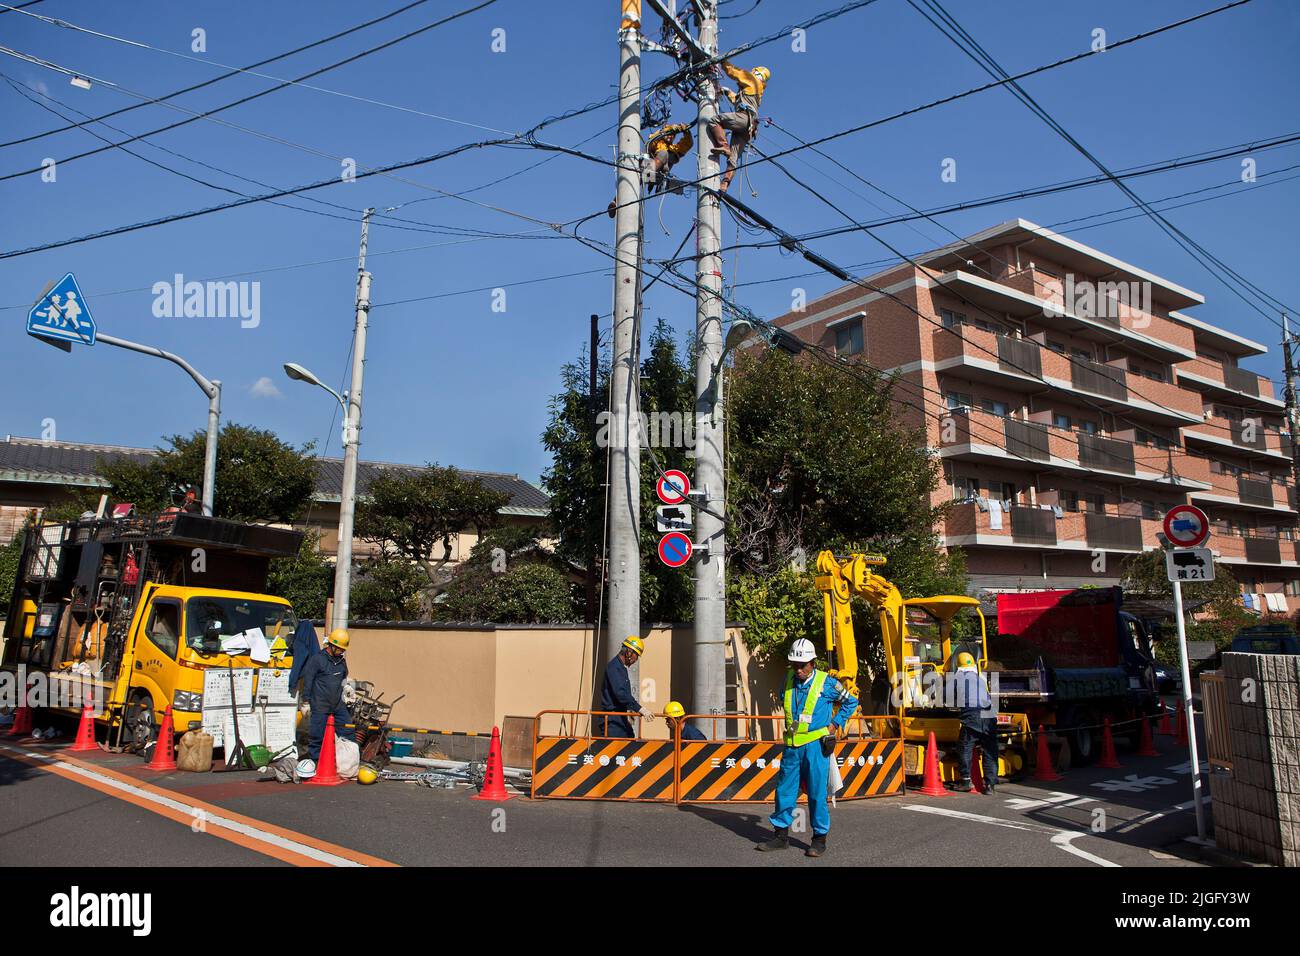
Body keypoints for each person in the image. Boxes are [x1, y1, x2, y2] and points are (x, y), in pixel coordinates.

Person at [757, 638, 857, 858]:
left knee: (816, 793)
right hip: (792, 746)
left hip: (815, 747)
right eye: (794, 664)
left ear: (813, 662)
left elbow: (851, 702)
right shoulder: (788, 679)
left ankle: (819, 839)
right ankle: (780, 836)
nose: (798, 669)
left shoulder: (828, 683)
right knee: (784, 791)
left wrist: (834, 723)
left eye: (802, 665)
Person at [607, 123, 694, 218]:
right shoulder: (656, 141)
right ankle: (615, 201)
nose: (670, 136)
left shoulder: (673, 149)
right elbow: (653, 139)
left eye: (672, 135)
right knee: (637, 178)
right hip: (647, 170)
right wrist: (669, 129)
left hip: (657, 177)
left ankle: (649, 174)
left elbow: (687, 144)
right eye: (669, 134)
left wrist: (686, 131)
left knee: (667, 154)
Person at [707, 62, 770, 193]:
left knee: (715, 120)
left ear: (756, 72)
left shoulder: (752, 80)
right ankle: (724, 184)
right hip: (749, 128)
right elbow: (737, 100)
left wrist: (722, 61)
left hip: (743, 118)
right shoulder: (756, 90)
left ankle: (723, 146)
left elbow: (734, 72)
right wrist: (727, 91)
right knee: (733, 158)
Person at [297, 628, 352, 777]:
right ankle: (315, 763)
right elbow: (308, 681)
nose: (341, 651)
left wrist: (347, 688)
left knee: (348, 730)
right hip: (320, 704)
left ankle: (346, 762)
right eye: (339, 648)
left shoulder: (341, 661)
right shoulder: (317, 660)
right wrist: (306, 701)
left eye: (343, 649)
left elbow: (344, 678)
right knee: (317, 736)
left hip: (338, 704)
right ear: (331, 645)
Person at [950, 651, 999, 793]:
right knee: (990, 749)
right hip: (989, 714)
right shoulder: (980, 678)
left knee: (964, 746)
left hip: (973, 714)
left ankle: (965, 781)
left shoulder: (958, 678)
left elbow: (947, 696)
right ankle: (990, 786)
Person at [598, 635, 654, 738]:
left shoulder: (620, 668)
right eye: (636, 655)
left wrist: (630, 709)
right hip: (612, 720)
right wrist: (639, 708)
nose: (636, 660)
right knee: (616, 750)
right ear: (629, 652)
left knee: (630, 740)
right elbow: (621, 693)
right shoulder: (614, 668)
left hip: (619, 717)